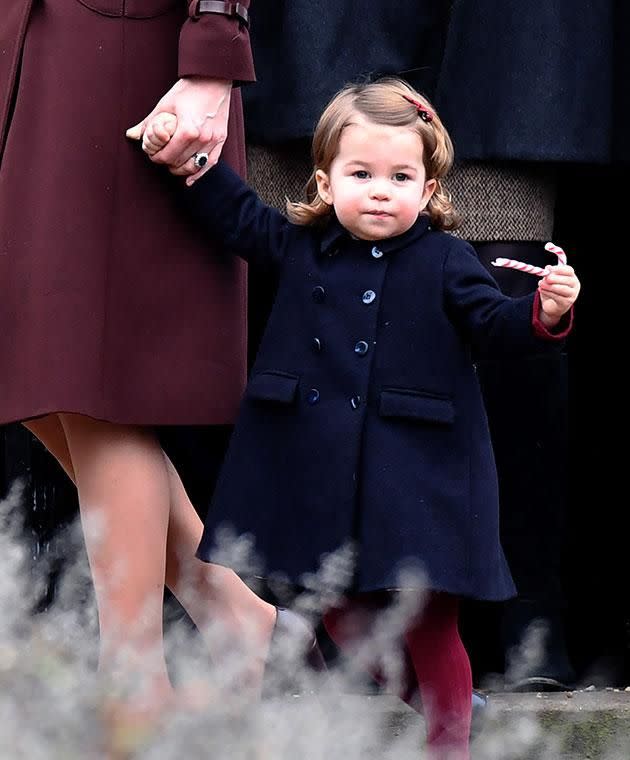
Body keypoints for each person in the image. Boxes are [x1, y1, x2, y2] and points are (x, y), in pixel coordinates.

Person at [136, 78, 580, 759]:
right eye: (362, 173)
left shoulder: (447, 260)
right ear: (325, 180)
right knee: (341, 619)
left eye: (401, 176)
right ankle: (462, 712)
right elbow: (238, 219)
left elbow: (496, 324)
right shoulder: (304, 247)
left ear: (428, 191)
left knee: (429, 625)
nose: (380, 189)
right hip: (323, 475)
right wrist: (191, 162)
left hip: (420, 477)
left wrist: (544, 311)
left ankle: (450, 743)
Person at [0, 0, 322, 746]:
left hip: (123, 50)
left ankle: (135, 688)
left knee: (87, 377)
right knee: (35, 362)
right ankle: (237, 617)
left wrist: (213, 46)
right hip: (32, 48)